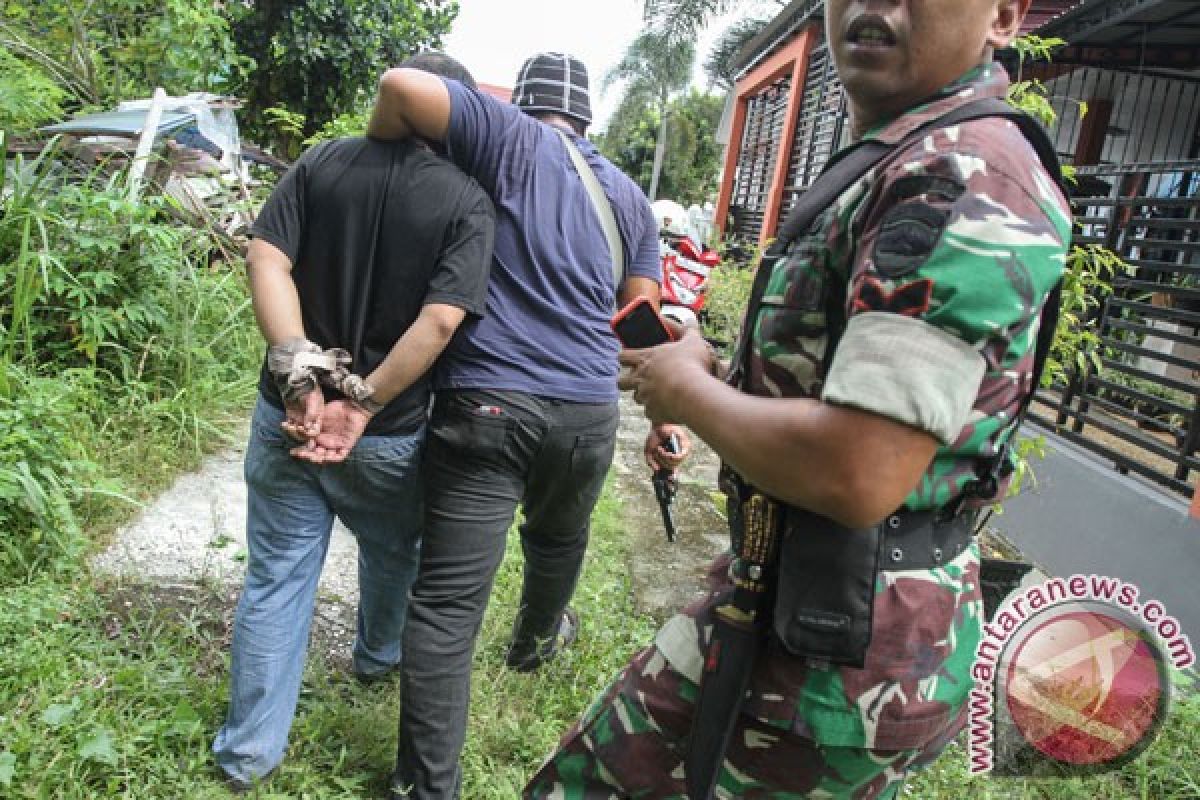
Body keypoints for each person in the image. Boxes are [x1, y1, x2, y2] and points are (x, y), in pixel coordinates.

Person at [525, 0, 1071, 797]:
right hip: (794, 601)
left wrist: (693, 400)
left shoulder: (962, 172)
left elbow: (862, 469)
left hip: (839, 653)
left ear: (1007, 16)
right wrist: (710, 372)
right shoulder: (902, 152)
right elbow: (835, 386)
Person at [367, 52, 688, 799]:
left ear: (522, 100)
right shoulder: (632, 201)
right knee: (558, 537)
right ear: (587, 118)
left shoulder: (505, 135)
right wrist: (662, 424)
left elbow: (400, 87)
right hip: (585, 412)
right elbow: (642, 330)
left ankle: (426, 788)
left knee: (447, 605)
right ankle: (535, 645)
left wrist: (382, 150)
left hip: (488, 401)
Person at [211, 54, 495, 792]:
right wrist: (360, 404)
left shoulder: (319, 164)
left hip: (288, 419)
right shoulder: (467, 199)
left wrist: (300, 379)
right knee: (394, 552)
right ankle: (377, 659)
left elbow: (266, 259)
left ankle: (247, 755)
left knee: (275, 580)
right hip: (390, 431)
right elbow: (440, 321)